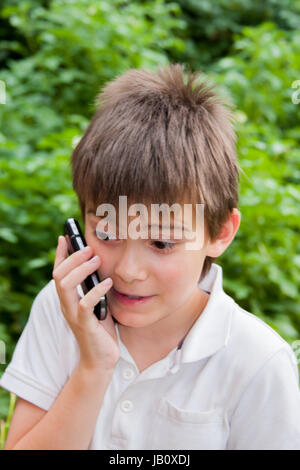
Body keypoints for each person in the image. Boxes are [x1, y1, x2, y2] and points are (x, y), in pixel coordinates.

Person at [1, 64, 300, 450]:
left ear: (220, 232)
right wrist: (93, 368)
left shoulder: (257, 361)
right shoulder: (62, 311)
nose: (127, 270)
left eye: (161, 244)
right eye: (107, 234)